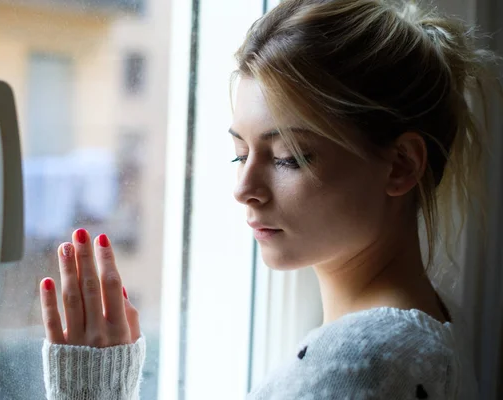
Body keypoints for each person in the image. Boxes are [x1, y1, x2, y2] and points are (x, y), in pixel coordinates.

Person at [38, 0, 499, 398]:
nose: (244, 189)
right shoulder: (424, 331)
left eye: (288, 157)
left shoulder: (363, 366)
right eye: (240, 154)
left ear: (400, 165)